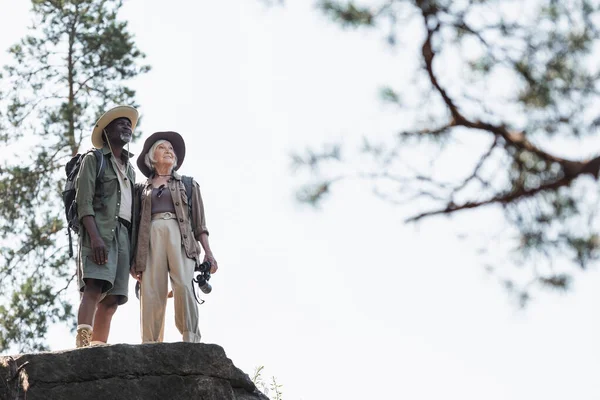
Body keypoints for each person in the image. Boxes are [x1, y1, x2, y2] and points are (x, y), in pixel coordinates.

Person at [132, 131, 218, 343]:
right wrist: (133, 260)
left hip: (181, 236)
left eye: (171, 149)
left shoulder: (188, 184)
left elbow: (200, 224)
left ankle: (190, 337)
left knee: (183, 285)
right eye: (162, 148)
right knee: (151, 289)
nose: (168, 151)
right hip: (149, 237)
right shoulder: (141, 188)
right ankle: (150, 342)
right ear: (152, 156)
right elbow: (134, 225)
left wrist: (208, 252)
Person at [75, 105, 138, 348]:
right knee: (93, 286)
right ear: (106, 131)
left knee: (113, 299)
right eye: (121, 123)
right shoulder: (95, 159)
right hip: (99, 230)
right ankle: (82, 345)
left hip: (124, 235)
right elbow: (84, 202)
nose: (127, 126)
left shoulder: (130, 170)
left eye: (129, 124)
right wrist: (95, 237)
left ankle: (98, 349)